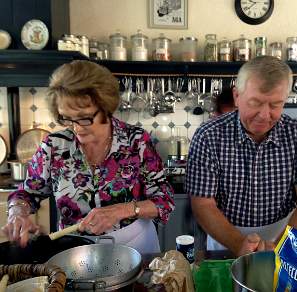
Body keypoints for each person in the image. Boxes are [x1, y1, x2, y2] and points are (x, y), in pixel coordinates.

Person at [1, 60, 174, 253]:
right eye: (66, 118)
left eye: (84, 118)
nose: (76, 128)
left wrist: (122, 210)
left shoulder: (137, 141)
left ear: (105, 107)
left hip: (136, 245)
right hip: (74, 252)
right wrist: (18, 212)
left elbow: (164, 200)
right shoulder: (53, 146)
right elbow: (27, 193)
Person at [186, 56, 297, 256]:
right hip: (225, 239)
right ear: (237, 96)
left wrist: (283, 247)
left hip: (286, 235)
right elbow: (202, 203)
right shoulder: (209, 135)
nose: (264, 115)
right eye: (255, 103)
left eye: (275, 105)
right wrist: (238, 244)